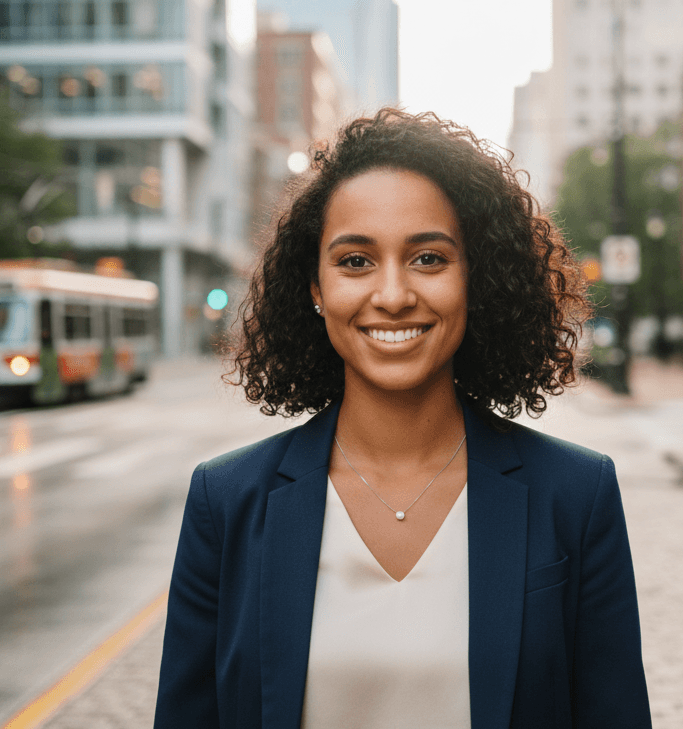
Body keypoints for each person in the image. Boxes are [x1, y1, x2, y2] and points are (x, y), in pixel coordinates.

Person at [154, 108, 652, 729]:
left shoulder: (575, 496)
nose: (392, 296)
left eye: (429, 259)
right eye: (355, 261)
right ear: (314, 286)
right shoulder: (226, 502)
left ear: (478, 278)